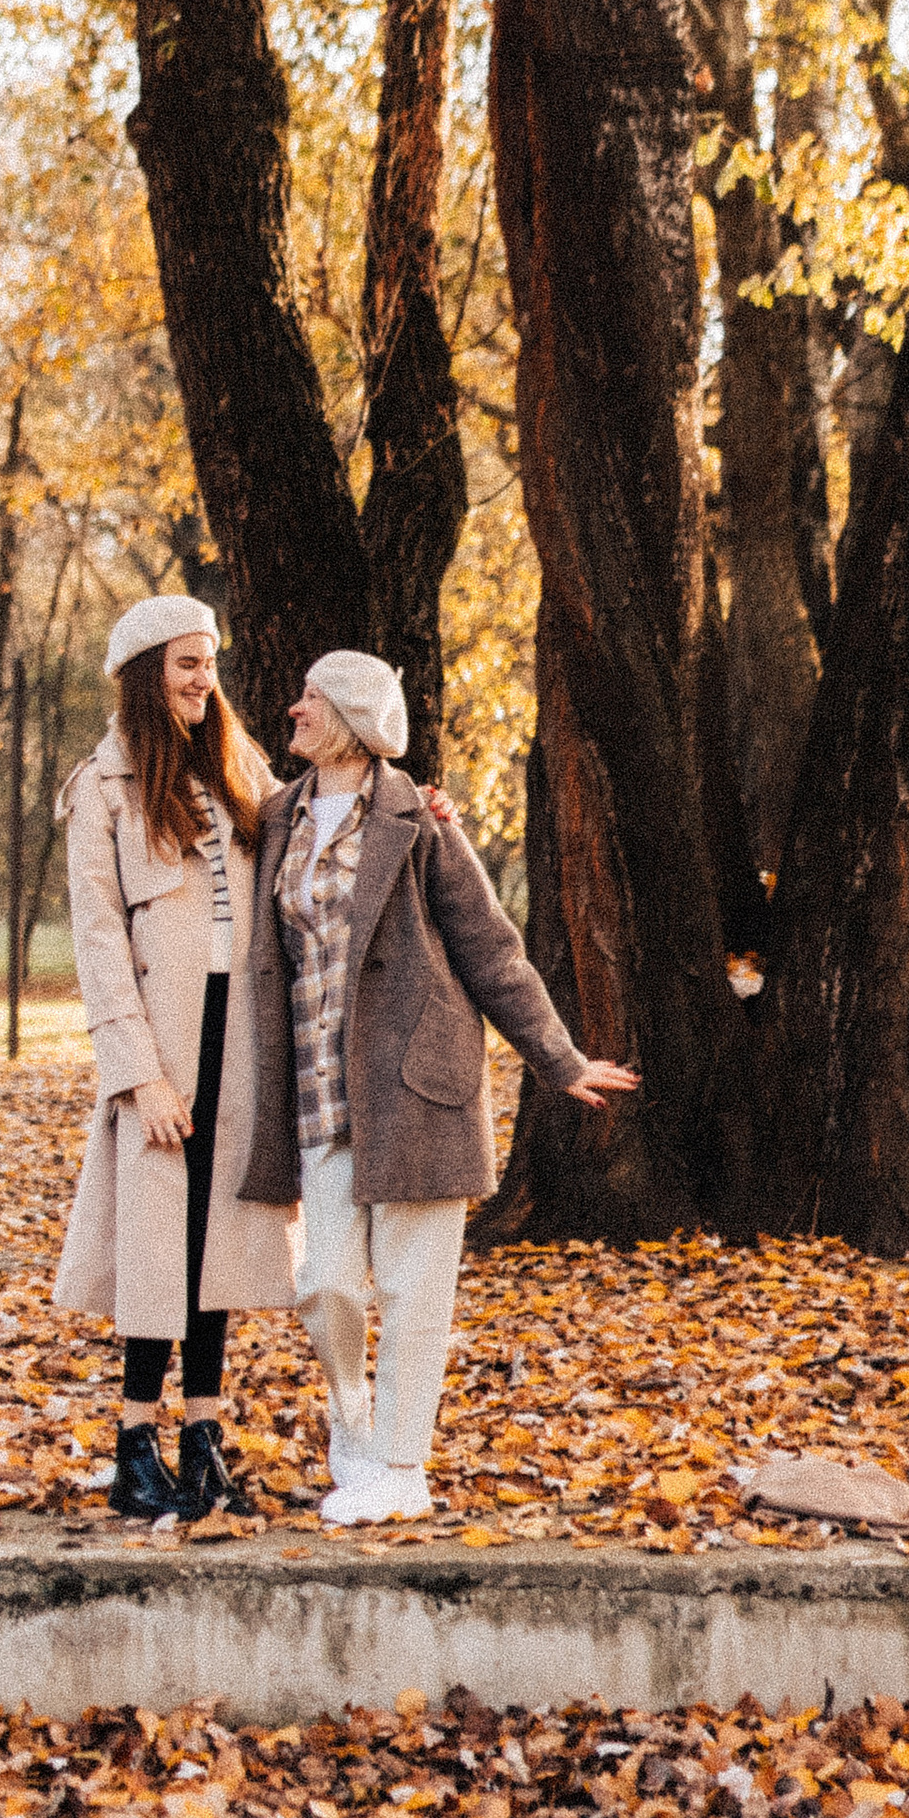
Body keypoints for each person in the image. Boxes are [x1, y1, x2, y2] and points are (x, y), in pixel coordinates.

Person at [239, 648, 640, 1527]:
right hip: (317, 1090)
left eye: (310, 696)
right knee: (326, 1285)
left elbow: (491, 950)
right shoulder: (278, 816)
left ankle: (402, 1467)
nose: (294, 708)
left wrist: (559, 1059)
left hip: (419, 1086)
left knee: (417, 1292)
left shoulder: (420, 821)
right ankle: (355, 1433)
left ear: (348, 715)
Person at [53, 597, 300, 1520]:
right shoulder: (103, 790)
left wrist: (415, 808)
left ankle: (202, 1434)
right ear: (144, 673)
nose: (205, 681)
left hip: (237, 1033)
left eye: (210, 665)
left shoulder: (239, 770)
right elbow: (97, 940)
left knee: (216, 1244)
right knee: (158, 1243)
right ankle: (132, 1444)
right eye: (186, 665)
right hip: (159, 1044)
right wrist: (137, 1074)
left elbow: (317, 827)